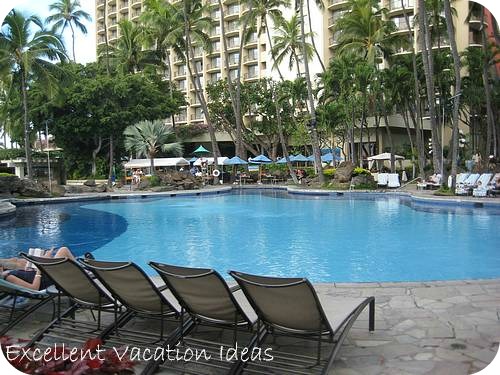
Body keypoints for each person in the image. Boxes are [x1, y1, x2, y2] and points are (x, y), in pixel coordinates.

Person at [0, 247, 76, 291]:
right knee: (63, 250)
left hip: (45, 272)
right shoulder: (9, 277)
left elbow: (27, 277)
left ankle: (83, 271)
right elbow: (34, 288)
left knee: (61, 255)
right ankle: (84, 271)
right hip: (48, 277)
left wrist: (31, 268)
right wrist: (40, 267)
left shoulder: (9, 272)